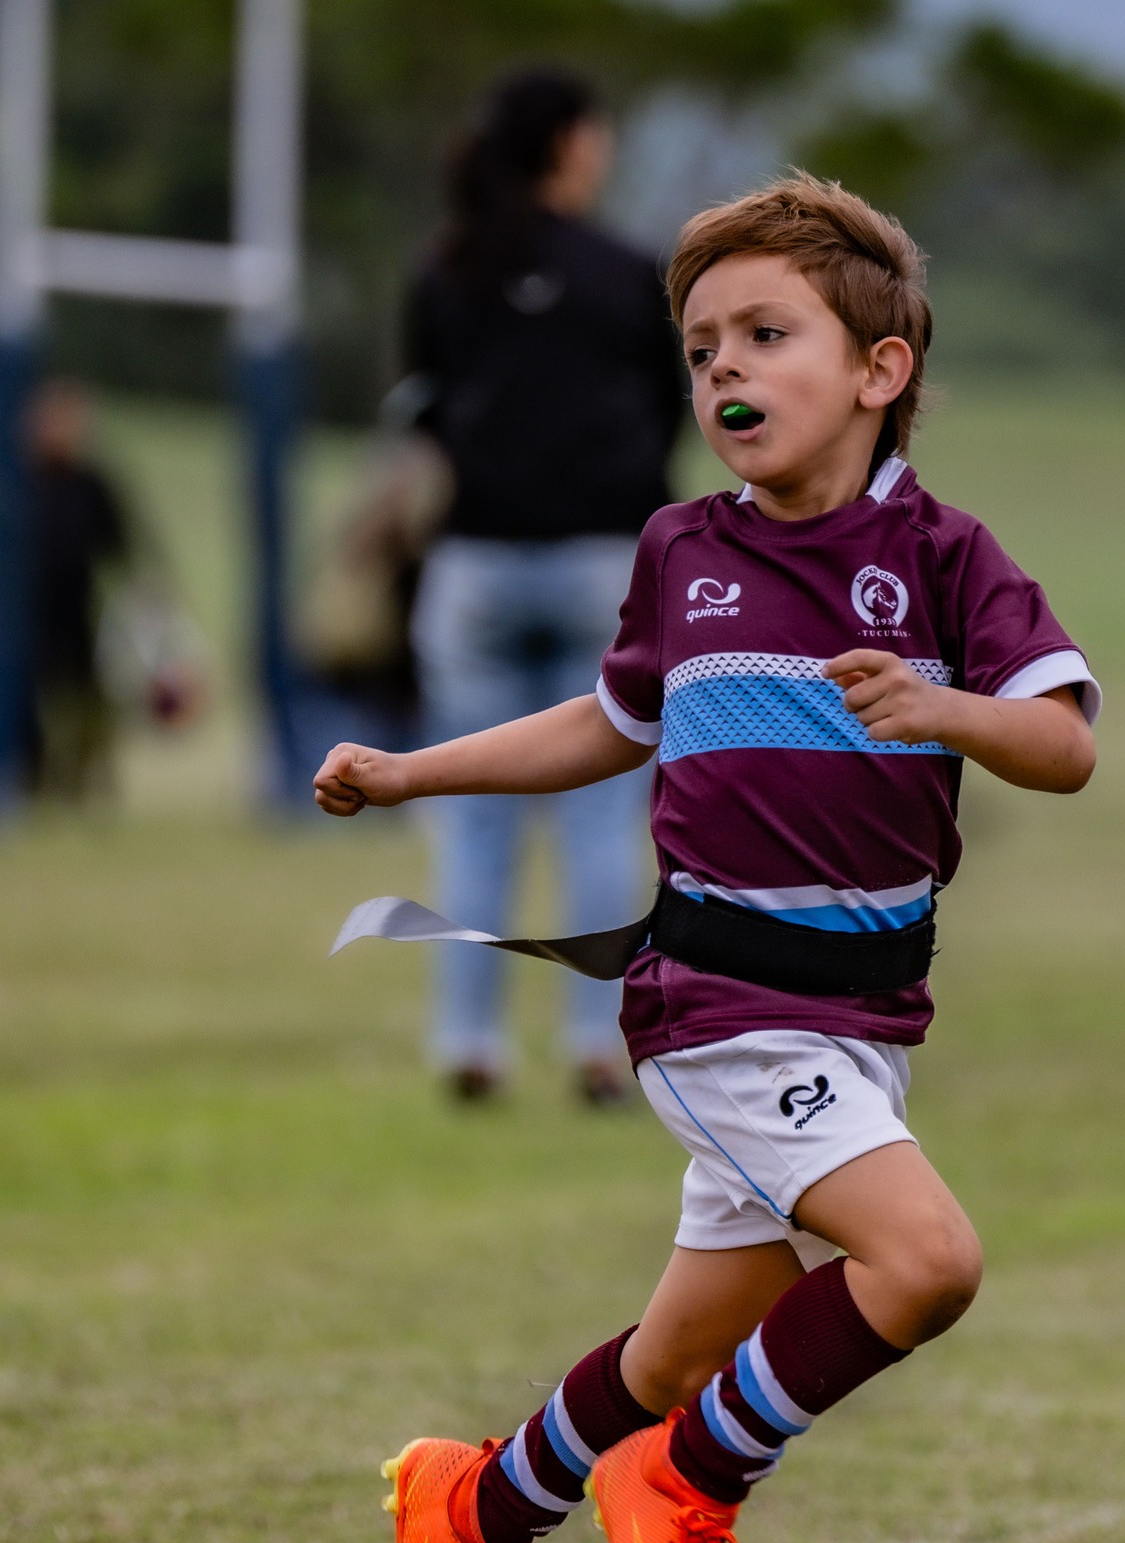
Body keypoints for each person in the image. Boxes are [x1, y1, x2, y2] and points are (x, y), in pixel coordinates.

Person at [314, 175, 1099, 1543]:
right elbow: (602, 727)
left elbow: (1063, 744)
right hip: (716, 1006)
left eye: (765, 333)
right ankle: (686, 1489)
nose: (723, 369)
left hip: (859, 1016)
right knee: (927, 1261)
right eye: (700, 347)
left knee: (674, 1355)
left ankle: (469, 1504)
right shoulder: (685, 549)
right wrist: (415, 770)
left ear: (881, 370)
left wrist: (947, 710)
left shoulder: (948, 560)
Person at [401, 68, 685, 1106]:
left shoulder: (446, 268)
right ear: (571, 143)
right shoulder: (623, 272)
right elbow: (665, 414)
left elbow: (420, 409)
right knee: (601, 816)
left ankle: (467, 1041)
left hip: (473, 563)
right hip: (601, 567)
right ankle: (595, 1044)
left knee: (471, 814)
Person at [26, 379, 130, 803]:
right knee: (25, 701)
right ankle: (32, 779)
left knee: (92, 705)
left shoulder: (92, 485)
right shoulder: (21, 483)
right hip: (29, 615)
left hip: (79, 615)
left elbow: (121, 549)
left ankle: (79, 781)